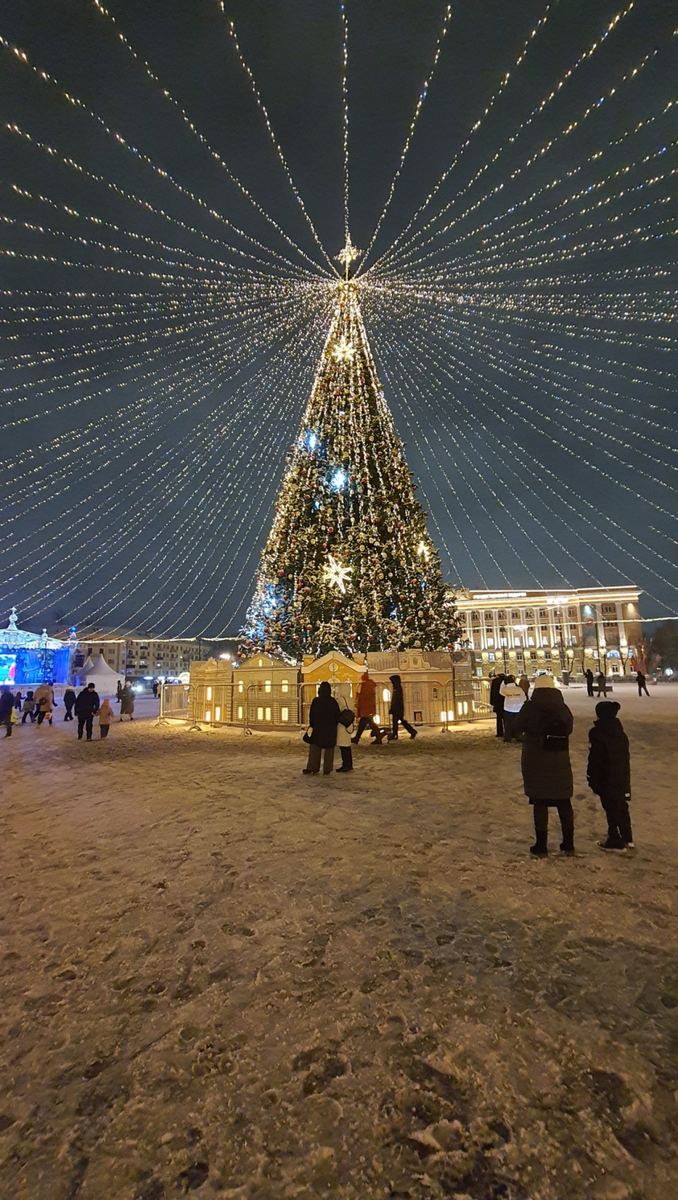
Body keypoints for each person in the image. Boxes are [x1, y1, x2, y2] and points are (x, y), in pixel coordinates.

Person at [513, 674, 575, 856]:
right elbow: (569, 728)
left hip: (536, 759)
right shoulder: (562, 708)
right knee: (564, 802)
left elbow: (516, 727)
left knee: (540, 802)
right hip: (559, 758)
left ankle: (541, 845)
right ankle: (569, 843)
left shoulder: (530, 707)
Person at [587, 701, 634, 851]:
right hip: (621, 776)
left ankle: (615, 839)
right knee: (621, 806)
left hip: (606, 778)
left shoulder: (598, 733)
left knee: (611, 808)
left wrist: (592, 778)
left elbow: (596, 760)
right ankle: (627, 837)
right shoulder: (620, 733)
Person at [303, 681, 340, 775]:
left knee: (315, 748)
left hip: (318, 729)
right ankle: (327, 768)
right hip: (330, 729)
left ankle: (313, 767)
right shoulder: (333, 702)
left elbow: (312, 715)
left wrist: (312, 725)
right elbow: (337, 715)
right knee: (329, 749)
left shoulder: (316, 701)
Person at [351, 672, 383, 745]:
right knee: (367, 723)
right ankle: (378, 736)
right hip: (367, 708)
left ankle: (358, 738)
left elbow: (365, 697)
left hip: (366, 708)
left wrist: (359, 696)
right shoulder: (369, 685)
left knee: (365, 723)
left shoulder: (367, 686)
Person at [388, 675, 417, 741]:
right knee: (400, 721)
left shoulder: (397, 688)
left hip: (397, 708)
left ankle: (396, 734)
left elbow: (396, 699)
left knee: (396, 721)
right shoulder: (397, 688)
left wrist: (393, 708)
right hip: (398, 707)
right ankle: (411, 731)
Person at [499, 674, 526, 742]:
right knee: (518, 723)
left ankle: (508, 737)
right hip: (518, 708)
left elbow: (500, 692)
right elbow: (524, 698)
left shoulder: (505, 690)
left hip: (508, 708)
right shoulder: (519, 689)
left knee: (508, 723)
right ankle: (518, 736)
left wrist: (503, 683)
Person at [334, 683, 354, 772]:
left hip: (342, 724)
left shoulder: (341, 699)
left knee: (343, 746)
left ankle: (345, 764)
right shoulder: (350, 699)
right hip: (349, 724)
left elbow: (337, 711)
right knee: (347, 746)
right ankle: (349, 764)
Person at [489, 672, 506, 738]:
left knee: (499, 718)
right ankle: (508, 732)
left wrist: (492, 702)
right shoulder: (506, 681)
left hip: (498, 702)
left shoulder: (494, 681)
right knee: (506, 719)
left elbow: (492, 692)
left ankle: (500, 733)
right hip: (506, 702)